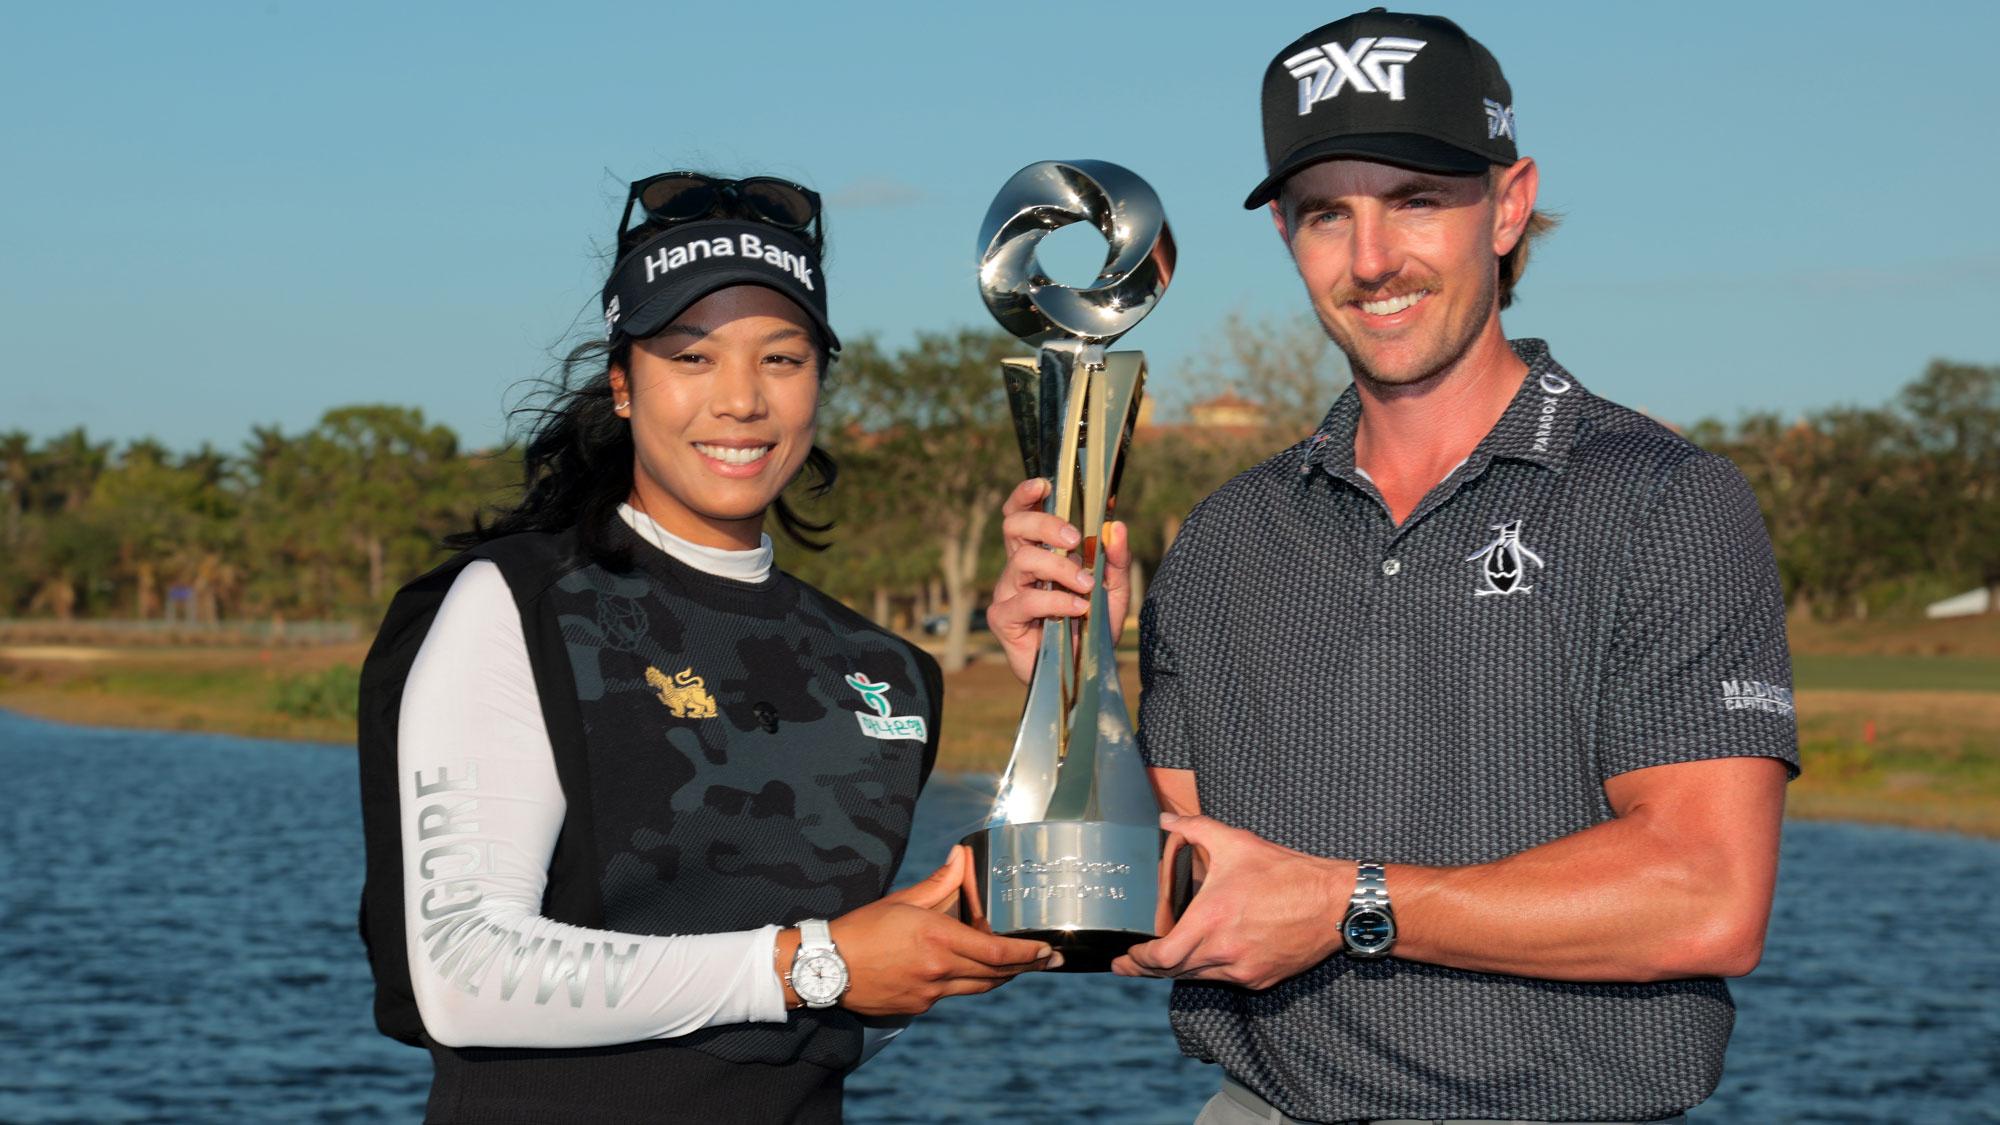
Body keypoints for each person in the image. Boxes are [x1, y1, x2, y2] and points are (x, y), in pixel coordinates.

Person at [989, 12, 1798, 1124]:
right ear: (1284, 232)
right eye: (1327, 214)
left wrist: (1346, 905)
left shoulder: (1659, 499)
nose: (1370, 261)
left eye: (1416, 200)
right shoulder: (1225, 538)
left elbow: (1705, 896)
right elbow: (1158, 891)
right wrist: (1075, 688)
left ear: (1507, 205)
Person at [357, 171, 1056, 1124]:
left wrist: (1058, 677)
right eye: (692, 357)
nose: (741, 401)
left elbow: (830, 1009)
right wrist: (814, 961)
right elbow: (464, 972)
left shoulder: (885, 669)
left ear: (820, 382)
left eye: (781, 358)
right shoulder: (518, 599)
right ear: (623, 386)